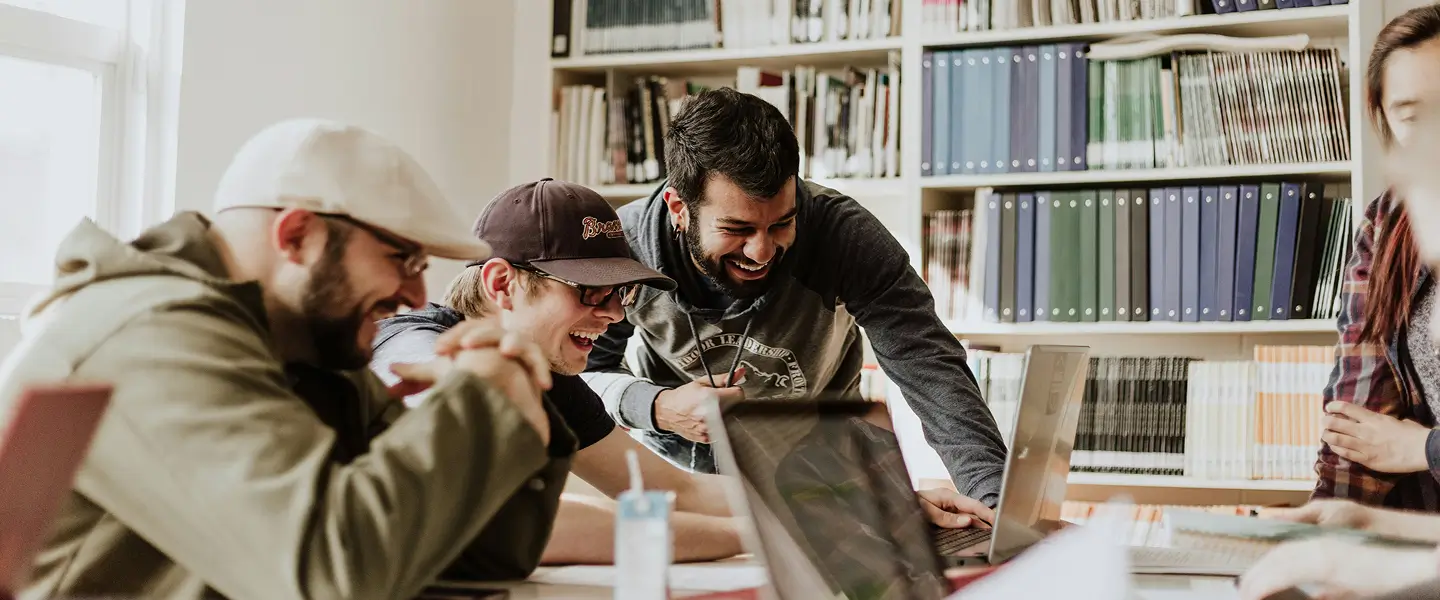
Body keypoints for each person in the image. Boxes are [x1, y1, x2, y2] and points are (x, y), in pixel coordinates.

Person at [0, 118, 572, 600]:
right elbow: (330, 576)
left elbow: (479, 555)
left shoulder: (301, 347)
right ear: (297, 235)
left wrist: (514, 399)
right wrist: (478, 402)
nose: (418, 297)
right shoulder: (152, 334)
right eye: (403, 258)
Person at [580, 86, 1008, 518]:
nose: (762, 251)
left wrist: (996, 508)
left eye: (782, 224)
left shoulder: (843, 234)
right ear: (679, 208)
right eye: (736, 228)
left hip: (826, 471)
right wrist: (656, 408)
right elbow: (581, 373)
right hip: (684, 480)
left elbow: (929, 365)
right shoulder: (624, 248)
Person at [370, 178, 746, 565]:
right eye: (591, 290)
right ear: (502, 284)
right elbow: (506, 520)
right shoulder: (411, 348)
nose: (615, 314)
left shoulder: (546, 375)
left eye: (622, 292)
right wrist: (752, 537)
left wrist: (801, 505)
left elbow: (676, 490)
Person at [1311, 4, 1440, 512]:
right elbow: (1356, 420)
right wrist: (1323, 527)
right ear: (1384, 120)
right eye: (1413, 116)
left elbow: (1398, 445)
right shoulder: (1388, 225)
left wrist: (1420, 447)